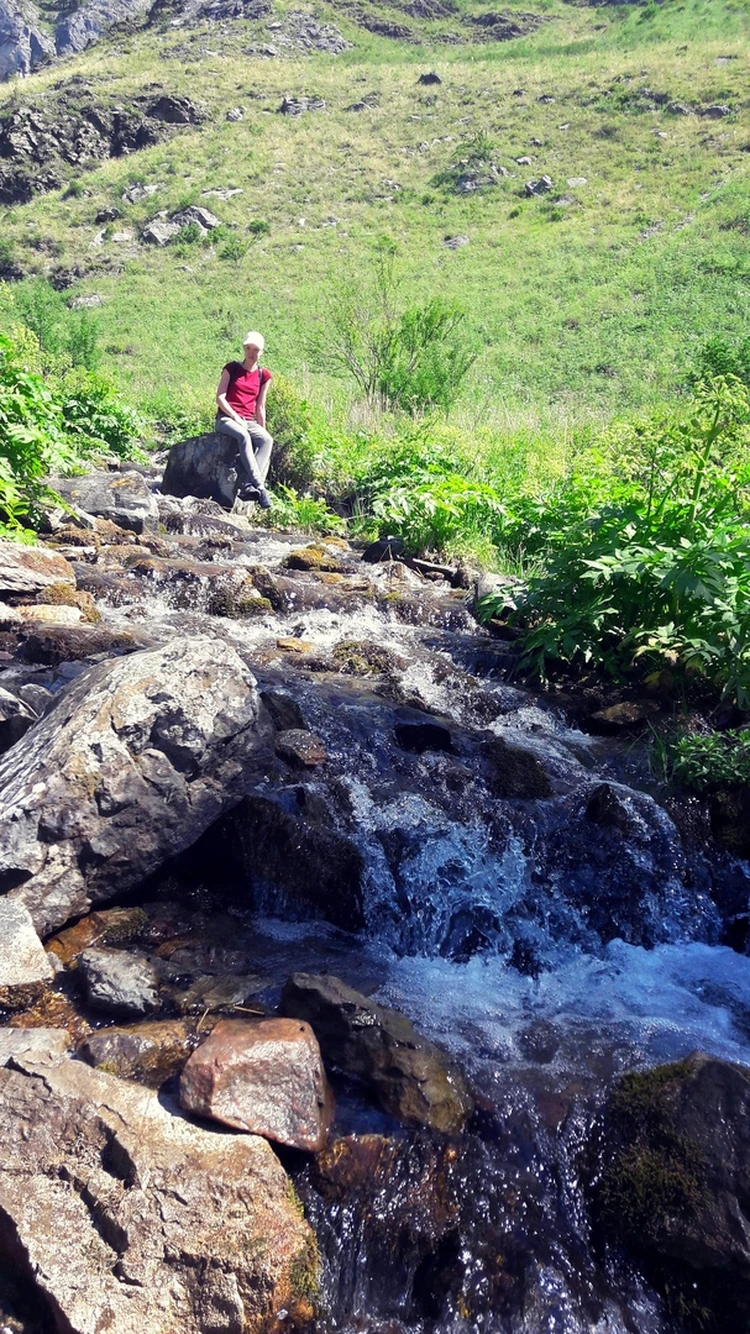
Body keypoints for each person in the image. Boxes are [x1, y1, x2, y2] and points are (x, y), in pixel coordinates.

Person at [215, 332, 274, 509]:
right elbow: (220, 398)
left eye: (255, 349)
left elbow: (260, 407)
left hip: (249, 420)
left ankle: (249, 484)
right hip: (226, 417)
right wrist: (235, 417)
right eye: (248, 348)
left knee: (267, 440)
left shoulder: (264, 375)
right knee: (243, 436)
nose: (251, 353)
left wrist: (262, 430)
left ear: (261, 352)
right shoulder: (231, 368)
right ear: (244, 348)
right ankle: (260, 487)